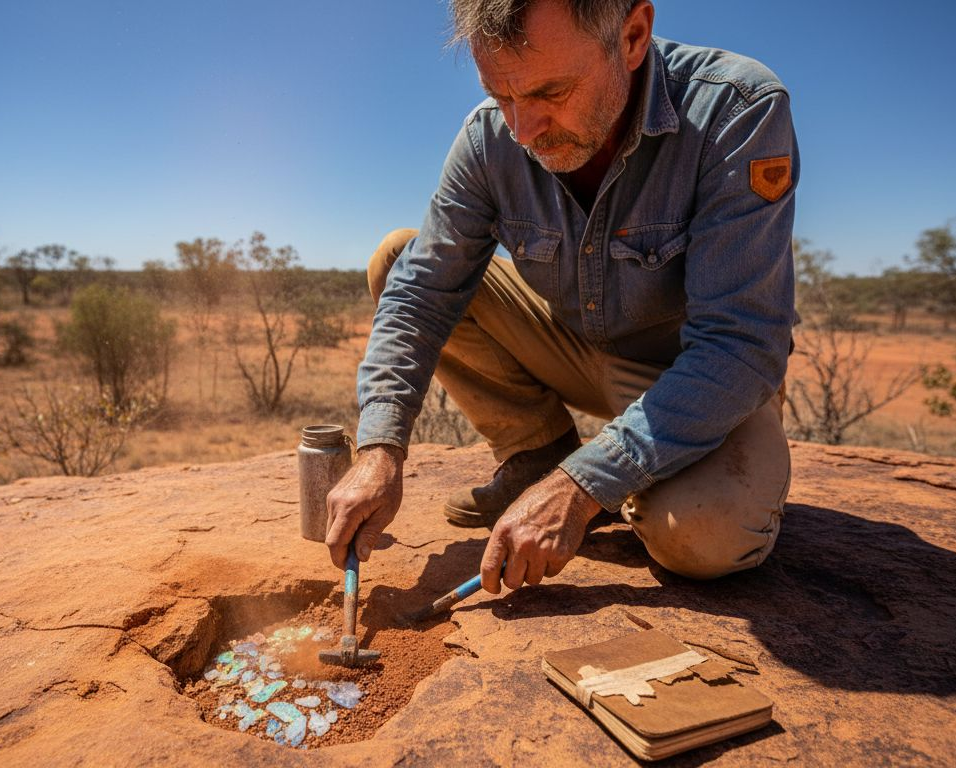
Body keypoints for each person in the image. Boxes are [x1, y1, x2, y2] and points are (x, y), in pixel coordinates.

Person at [326, 0, 798, 593]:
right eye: (501, 95)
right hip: (572, 347)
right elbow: (420, 293)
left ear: (632, 36)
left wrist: (583, 486)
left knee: (704, 535)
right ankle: (537, 455)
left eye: (551, 92)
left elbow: (739, 344)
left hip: (695, 376)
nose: (524, 130)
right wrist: (379, 448)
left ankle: (601, 480)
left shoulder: (735, 107)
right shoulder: (489, 139)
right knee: (399, 259)